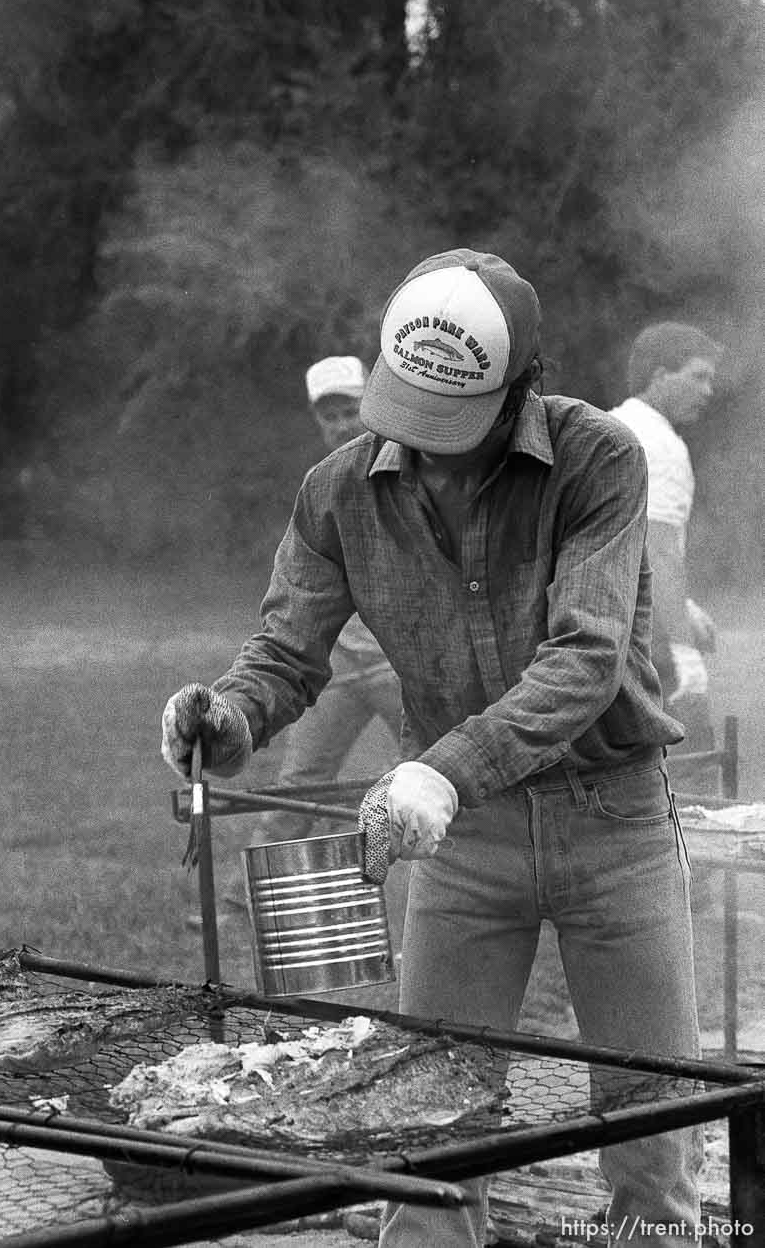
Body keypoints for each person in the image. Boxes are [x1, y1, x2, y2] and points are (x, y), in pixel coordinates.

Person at [161, 249, 702, 1247]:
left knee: (652, 1132)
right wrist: (229, 714)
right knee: (427, 1139)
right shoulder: (336, 492)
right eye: (411, 419)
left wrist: (438, 771)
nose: (432, 456)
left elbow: (584, 659)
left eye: (455, 429)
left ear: (521, 388)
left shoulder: (598, 461)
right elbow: (286, 651)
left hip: (611, 823)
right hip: (462, 845)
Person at [270, 355, 401, 827]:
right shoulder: (319, 485)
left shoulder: (410, 465)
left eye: (350, 411)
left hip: (401, 663)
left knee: (446, 775)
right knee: (298, 789)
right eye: (330, 417)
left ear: (372, 400)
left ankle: (483, 891)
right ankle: (244, 905)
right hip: (340, 663)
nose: (342, 425)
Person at [610, 324, 724, 760]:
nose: (708, 390)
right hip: (645, 636)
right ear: (659, 376)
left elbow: (631, 541)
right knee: (693, 764)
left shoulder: (614, 424)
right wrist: (683, 650)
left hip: (602, 625)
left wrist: (686, 606)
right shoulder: (660, 444)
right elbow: (655, 550)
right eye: (697, 376)